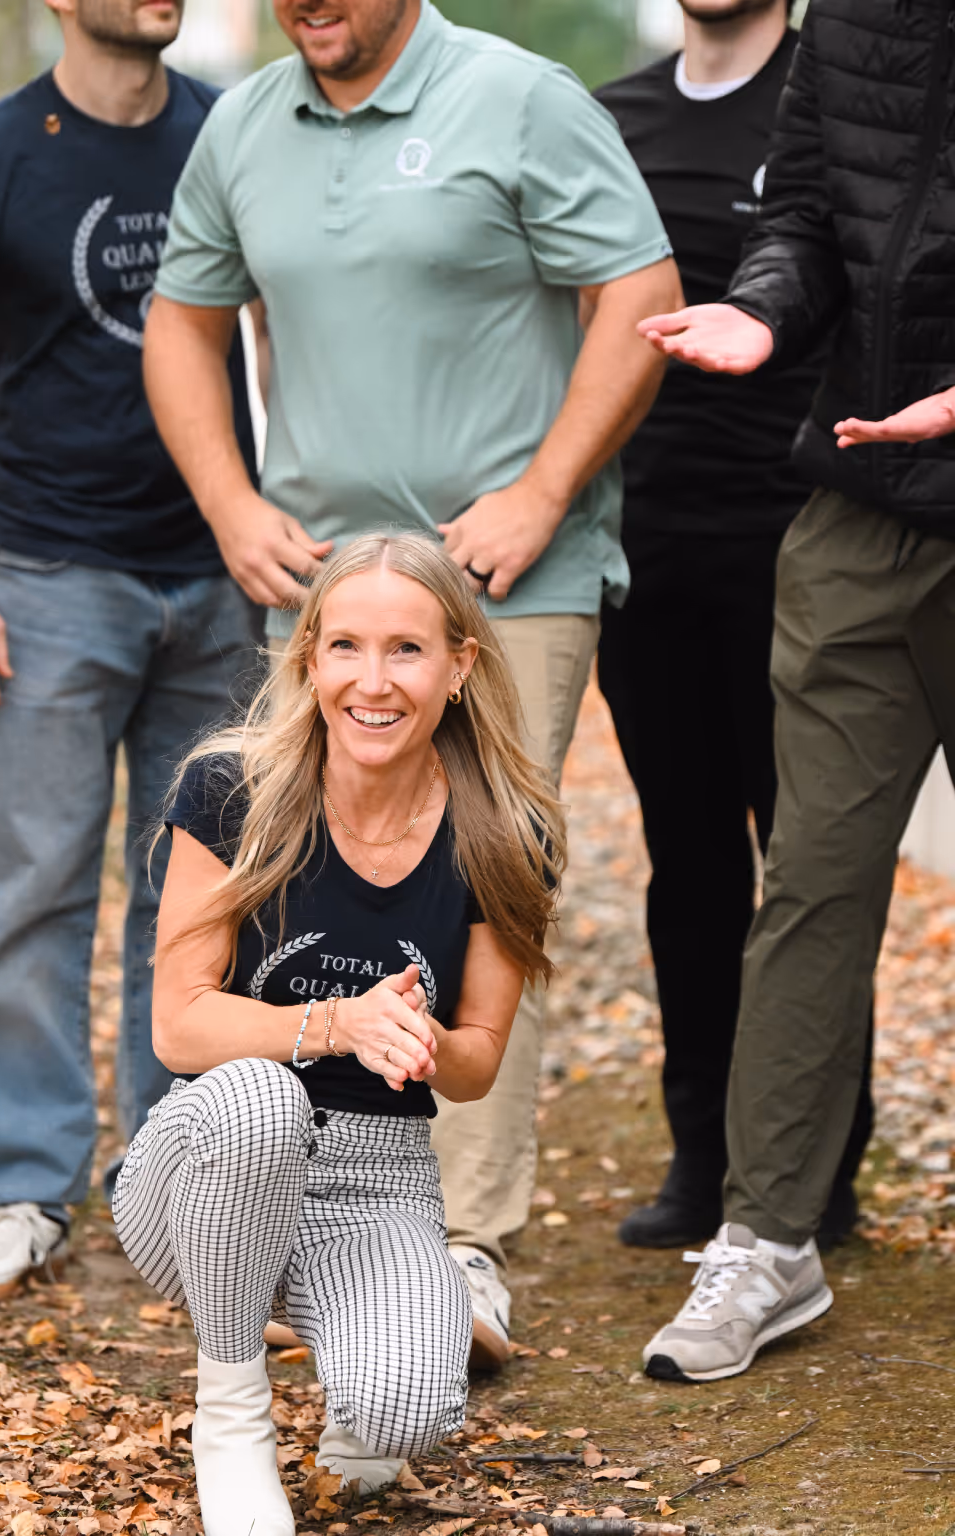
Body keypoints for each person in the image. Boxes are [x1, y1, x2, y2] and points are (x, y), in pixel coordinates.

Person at [138, 0, 682, 1367]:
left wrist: (544, 492)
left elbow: (643, 297)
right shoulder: (246, 124)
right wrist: (227, 503)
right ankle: (319, 1221)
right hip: (325, 600)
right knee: (303, 888)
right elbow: (179, 323)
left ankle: (463, 1243)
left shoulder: (524, 98)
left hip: (502, 588)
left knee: (480, 874)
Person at [113, 532, 564, 1536]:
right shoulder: (231, 790)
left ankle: (356, 1317)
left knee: (407, 1412)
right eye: (345, 646)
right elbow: (180, 1029)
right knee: (263, 1093)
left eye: (406, 650)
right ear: (308, 657)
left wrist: (417, 1040)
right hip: (206, 1155)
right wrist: (335, 1025)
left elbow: (480, 1059)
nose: (373, 680)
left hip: (378, 1177)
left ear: (459, 667)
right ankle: (230, 1413)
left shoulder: (504, 831)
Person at [636, 0, 955, 1381]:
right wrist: (764, 315)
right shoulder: (851, 20)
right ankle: (767, 1240)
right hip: (862, 497)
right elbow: (811, 216)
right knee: (814, 884)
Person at [0, 0, 261, 1301]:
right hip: (49, 584)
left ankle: (167, 1178)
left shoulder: (235, 138)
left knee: (195, 897)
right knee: (36, 890)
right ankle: (25, 1187)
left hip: (219, 583)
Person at [592, 0, 873, 1251]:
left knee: (807, 873)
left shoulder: (836, 99)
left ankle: (819, 1169)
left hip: (804, 546)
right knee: (689, 865)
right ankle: (700, 1157)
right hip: (647, 548)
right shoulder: (615, 117)